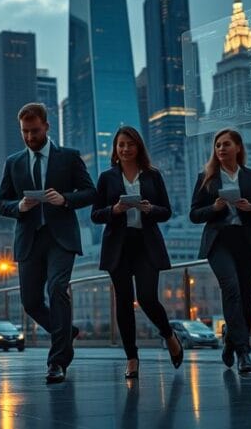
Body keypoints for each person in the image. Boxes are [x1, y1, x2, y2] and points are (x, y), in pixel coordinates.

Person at [0, 102, 96, 384]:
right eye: (24, 132)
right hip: (29, 239)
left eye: (34, 131)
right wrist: (20, 206)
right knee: (30, 302)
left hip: (61, 238)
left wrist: (65, 199)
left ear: (47, 127)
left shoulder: (69, 157)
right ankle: (66, 331)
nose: (29, 137)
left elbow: (90, 192)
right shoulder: (13, 162)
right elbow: (1, 204)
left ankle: (57, 362)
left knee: (57, 289)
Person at [91, 126, 182, 379]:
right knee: (123, 301)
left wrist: (150, 208)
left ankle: (169, 335)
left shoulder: (153, 176)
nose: (125, 149)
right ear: (115, 149)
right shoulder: (107, 177)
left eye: (130, 144)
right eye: (121, 144)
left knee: (147, 297)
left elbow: (167, 211)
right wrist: (115, 210)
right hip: (118, 246)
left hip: (146, 245)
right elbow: (95, 215)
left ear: (138, 147)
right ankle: (131, 358)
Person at [189, 129, 251, 375]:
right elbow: (194, 214)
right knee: (232, 289)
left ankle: (230, 339)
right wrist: (214, 208)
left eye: (226, 144)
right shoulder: (206, 177)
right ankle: (244, 352)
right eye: (217, 146)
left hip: (246, 242)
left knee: (246, 299)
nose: (221, 149)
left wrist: (250, 208)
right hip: (219, 242)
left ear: (238, 147)